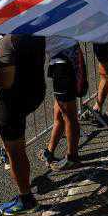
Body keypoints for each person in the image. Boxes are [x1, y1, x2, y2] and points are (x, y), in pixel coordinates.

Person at [0, 34, 46, 215]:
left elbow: (4, 82)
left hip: (13, 101)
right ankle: (25, 193)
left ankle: (26, 197)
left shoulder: (7, 41)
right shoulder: (34, 33)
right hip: (34, 92)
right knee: (16, 150)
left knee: (15, 152)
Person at [39, 36, 82, 170]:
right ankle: (50, 150)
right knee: (59, 113)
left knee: (69, 115)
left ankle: (73, 157)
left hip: (63, 63)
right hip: (65, 57)